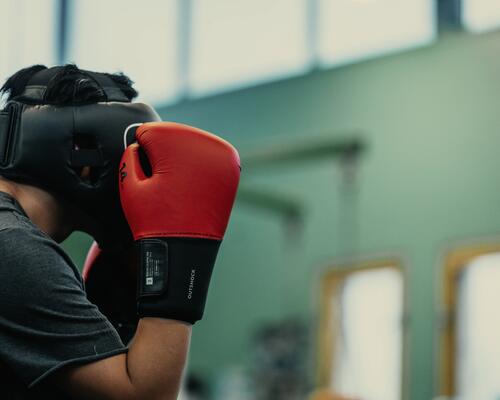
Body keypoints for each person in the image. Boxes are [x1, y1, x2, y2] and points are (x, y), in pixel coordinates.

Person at [0, 65, 240, 399]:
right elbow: (145, 396)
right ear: (85, 159)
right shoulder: (14, 247)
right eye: (131, 160)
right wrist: (176, 254)